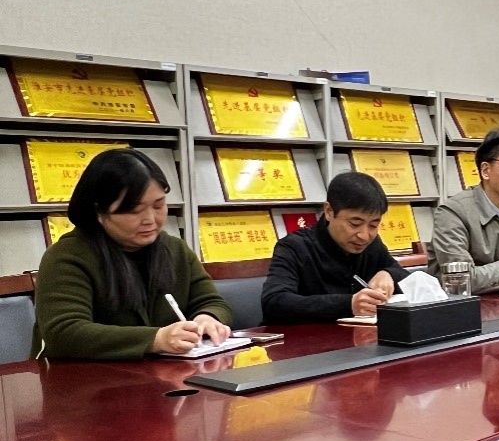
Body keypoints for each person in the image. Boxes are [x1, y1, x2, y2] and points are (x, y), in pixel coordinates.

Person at [33, 148, 233, 359]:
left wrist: (207, 318)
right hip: (86, 375)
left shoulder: (175, 250)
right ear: (99, 211)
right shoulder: (67, 257)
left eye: (159, 205)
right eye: (134, 210)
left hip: (164, 373)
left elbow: (213, 302)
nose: (150, 219)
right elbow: (64, 332)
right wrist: (156, 339)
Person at [261, 171, 410, 324]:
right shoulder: (294, 246)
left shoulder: (372, 244)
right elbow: (274, 302)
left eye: (373, 225)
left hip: (358, 335)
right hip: (303, 336)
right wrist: (348, 304)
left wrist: (388, 274)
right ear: (329, 211)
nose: (364, 236)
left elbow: (405, 277)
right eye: (355, 224)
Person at [428, 129, 499, 293]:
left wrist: (486, 279)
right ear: (485, 170)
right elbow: (461, 282)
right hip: (461, 306)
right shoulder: (452, 213)